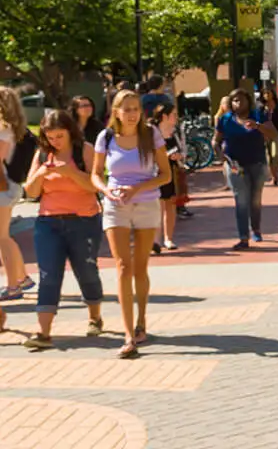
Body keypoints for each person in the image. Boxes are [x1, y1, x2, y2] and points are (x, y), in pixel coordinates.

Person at [93, 89, 171, 359]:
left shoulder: (151, 134)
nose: (131, 113)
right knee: (123, 267)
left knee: (140, 267)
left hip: (147, 204)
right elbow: (95, 174)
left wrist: (137, 190)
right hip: (116, 206)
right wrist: (106, 191)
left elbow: (166, 175)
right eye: (126, 109)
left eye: (135, 108)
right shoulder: (106, 137)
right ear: (116, 111)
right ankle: (128, 336)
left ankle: (142, 321)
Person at [21, 109, 105, 349]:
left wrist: (70, 172)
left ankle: (94, 316)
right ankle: (43, 332)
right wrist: (40, 173)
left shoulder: (85, 150)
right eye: (50, 137)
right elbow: (31, 192)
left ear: (70, 132)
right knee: (48, 275)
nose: (54, 141)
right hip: (49, 222)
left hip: (84, 220)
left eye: (59, 136)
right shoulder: (42, 154)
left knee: (86, 270)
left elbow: (95, 185)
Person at [217, 89, 270, 249]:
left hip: (257, 163)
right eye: (234, 101)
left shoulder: (258, 115)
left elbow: (273, 134)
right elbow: (216, 140)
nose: (237, 104)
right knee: (241, 200)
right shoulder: (225, 120)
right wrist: (221, 156)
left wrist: (259, 126)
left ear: (248, 101)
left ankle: (256, 229)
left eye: (241, 100)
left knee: (255, 200)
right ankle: (243, 237)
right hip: (235, 165)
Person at [0, 87, 33, 301]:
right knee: (4, 236)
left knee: (2, 238)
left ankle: (13, 286)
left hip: (3, 186)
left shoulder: (3, 129)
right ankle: (22, 278)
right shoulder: (14, 128)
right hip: (10, 185)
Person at [151, 102, 182, 253]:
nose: (176, 118)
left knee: (169, 204)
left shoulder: (174, 132)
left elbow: (182, 150)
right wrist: (164, 155)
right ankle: (155, 241)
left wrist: (178, 156)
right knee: (156, 206)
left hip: (170, 171)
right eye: (174, 115)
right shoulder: (151, 132)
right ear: (164, 116)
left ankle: (168, 239)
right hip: (155, 173)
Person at [255, 89, 278, 186]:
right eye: (264, 93)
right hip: (265, 134)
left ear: (273, 94)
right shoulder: (260, 108)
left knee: (274, 155)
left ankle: (275, 176)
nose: (267, 95)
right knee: (268, 156)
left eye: (268, 93)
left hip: (276, 134)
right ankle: (272, 174)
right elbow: (258, 122)